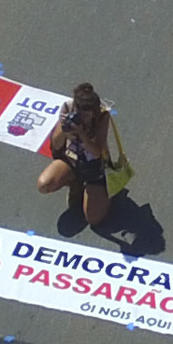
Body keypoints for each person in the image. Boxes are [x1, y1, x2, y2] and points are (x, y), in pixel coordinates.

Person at [37, 83, 128, 232]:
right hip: (72, 160)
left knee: (94, 219)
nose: (82, 117)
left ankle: (104, 194)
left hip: (94, 167)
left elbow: (97, 152)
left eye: (85, 115)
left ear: (93, 112)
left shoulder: (102, 117)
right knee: (44, 184)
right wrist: (65, 128)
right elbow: (56, 143)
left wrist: (82, 133)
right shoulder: (68, 108)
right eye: (79, 112)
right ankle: (75, 182)